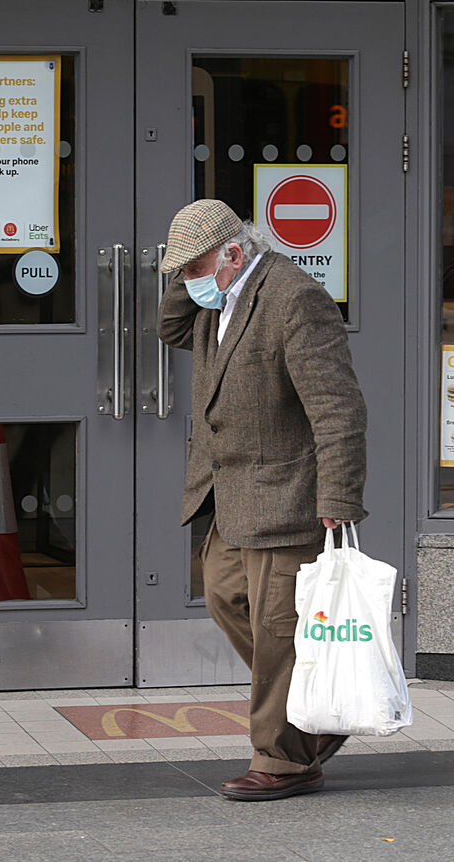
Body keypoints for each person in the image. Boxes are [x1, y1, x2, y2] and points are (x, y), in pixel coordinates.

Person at [158, 199, 367, 801]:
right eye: (182, 272)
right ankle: (315, 707)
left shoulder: (293, 298)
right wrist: (186, 272)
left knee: (277, 630)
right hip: (229, 492)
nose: (189, 282)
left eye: (196, 267)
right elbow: (170, 327)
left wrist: (339, 495)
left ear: (234, 253)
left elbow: (338, 407)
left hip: (287, 491)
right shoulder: (217, 299)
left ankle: (283, 760)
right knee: (226, 596)